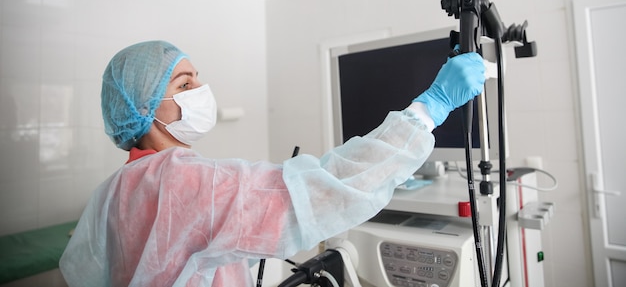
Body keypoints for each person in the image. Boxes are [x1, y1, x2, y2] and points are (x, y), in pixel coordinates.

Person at [59, 40, 485, 287]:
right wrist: (428, 110)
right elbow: (325, 189)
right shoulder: (180, 181)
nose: (200, 90)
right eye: (184, 84)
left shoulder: (116, 189)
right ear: (144, 105)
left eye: (197, 79)